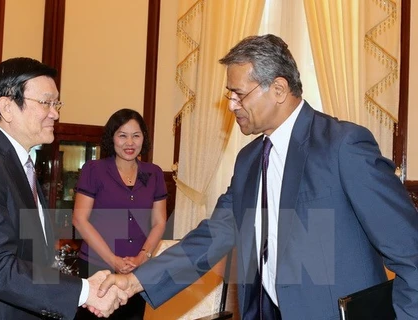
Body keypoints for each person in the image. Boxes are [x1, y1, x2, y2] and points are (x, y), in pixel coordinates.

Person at [96, 35, 418, 320]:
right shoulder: (248, 161)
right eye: (229, 94)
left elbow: (410, 250)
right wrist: (135, 280)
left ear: (278, 89)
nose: (231, 104)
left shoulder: (342, 145)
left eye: (238, 94)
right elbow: (211, 237)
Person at [0, 57, 127, 320]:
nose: (55, 113)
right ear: (7, 107)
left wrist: (77, 285)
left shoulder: (18, 162)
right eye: (46, 102)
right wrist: (84, 291)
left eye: (56, 103)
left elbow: (33, 255)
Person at [73, 108, 167, 320]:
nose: (130, 143)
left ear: (144, 138)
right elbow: (79, 219)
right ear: (112, 138)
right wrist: (113, 260)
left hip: (138, 270)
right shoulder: (94, 169)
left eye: (136, 135)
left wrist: (143, 256)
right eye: (122, 135)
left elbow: (159, 222)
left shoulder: (154, 174)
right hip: (97, 266)